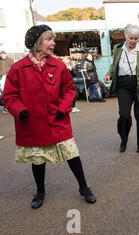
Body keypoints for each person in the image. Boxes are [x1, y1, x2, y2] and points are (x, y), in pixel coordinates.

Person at [2, 25, 96, 209]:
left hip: (57, 120)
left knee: (72, 154)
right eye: (49, 39)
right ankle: (40, 191)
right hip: (31, 123)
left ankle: (84, 188)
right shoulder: (18, 68)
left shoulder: (58, 65)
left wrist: (63, 108)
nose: (53, 43)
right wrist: (20, 111)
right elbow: (8, 97)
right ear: (37, 42)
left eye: (53, 39)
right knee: (38, 160)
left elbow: (69, 89)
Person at [104, 24, 139, 153]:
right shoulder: (118, 49)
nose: (133, 41)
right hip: (124, 86)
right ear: (125, 36)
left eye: (136, 38)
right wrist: (109, 73)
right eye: (131, 38)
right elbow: (114, 64)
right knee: (124, 115)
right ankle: (123, 139)